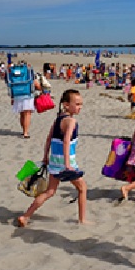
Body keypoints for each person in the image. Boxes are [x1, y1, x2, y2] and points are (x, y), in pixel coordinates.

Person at [17, 90, 89, 227]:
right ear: (66, 105)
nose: (80, 107)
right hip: (65, 162)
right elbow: (66, 142)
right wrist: (68, 165)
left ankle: (25, 216)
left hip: (54, 161)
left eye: (81, 104)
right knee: (82, 188)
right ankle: (82, 220)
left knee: (50, 192)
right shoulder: (71, 121)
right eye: (77, 104)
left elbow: (49, 139)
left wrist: (45, 157)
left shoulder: (58, 119)